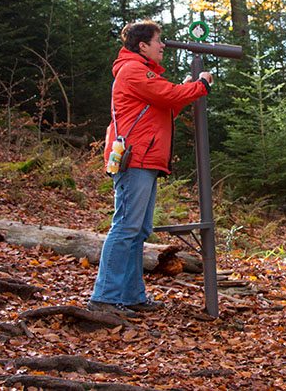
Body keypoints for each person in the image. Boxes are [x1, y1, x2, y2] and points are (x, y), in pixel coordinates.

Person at [88, 20, 213, 318]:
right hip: (136, 159)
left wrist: (190, 89)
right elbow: (169, 97)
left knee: (138, 230)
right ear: (142, 45)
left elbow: (168, 105)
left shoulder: (142, 74)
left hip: (145, 159)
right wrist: (202, 85)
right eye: (158, 40)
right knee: (126, 228)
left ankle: (130, 296)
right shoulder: (133, 70)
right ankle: (104, 297)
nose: (162, 45)